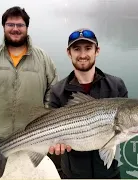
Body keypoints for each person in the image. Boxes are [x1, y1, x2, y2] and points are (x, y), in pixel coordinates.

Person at [0, 6, 58, 141]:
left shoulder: (43, 58)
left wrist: (44, 114)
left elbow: (53, 89)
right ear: (3, 27)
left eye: (20, 25)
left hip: (34, 134)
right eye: (10, 24)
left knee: (30, 163)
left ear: (27, 28)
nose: (15, 29)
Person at [48, 28, 128, 179]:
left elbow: (121, 134)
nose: (83, 55)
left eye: (88, 48)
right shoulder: (58, 91)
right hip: (72, 175)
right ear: (68, 52)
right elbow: (49, 133)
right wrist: (55, 147)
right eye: (77, 49)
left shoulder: (117, 86)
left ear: (97, 51)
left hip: (109, 174)